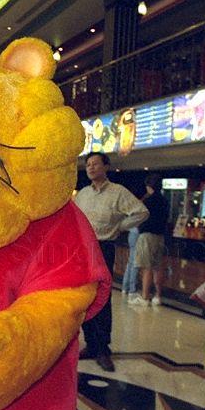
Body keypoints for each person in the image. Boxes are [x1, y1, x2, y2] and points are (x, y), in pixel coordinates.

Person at [74, 152, 148, 371]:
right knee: (85, 297)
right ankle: (91, 344)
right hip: (82, 250)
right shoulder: (83, 194)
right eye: (88, 164)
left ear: (106, 166)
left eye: (95, 164)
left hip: (104, 248)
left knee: (102, 298)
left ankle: (103, 349)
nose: (91, 168)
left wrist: (119, 227)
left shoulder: (118, 192)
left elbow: (141, 212)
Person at [129, 174, 169, 306]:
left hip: (147, 236)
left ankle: (145, 297)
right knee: (157, 267)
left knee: (146, 267)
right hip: (160, 236)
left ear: (148, 186)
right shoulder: (164, 201)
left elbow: (136, 215)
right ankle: (158, 296)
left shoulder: (148, 201)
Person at [122, 227, 140, 297]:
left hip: (132, 232)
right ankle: (132, 289)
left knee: (131, 262)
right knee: (135, 262)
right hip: (138, 233)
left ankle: (125, 287)